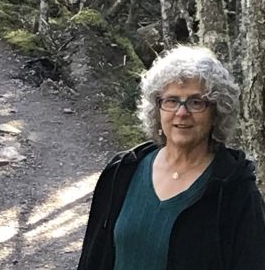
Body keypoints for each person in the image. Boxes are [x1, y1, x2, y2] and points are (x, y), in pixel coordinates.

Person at [77, 46, 265, 270]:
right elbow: (93, 258)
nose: (182, 112)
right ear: (157, 108)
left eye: (196, 102)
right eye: (171, 101)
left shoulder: (236, 191)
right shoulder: (122, 172)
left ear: (216, 112)